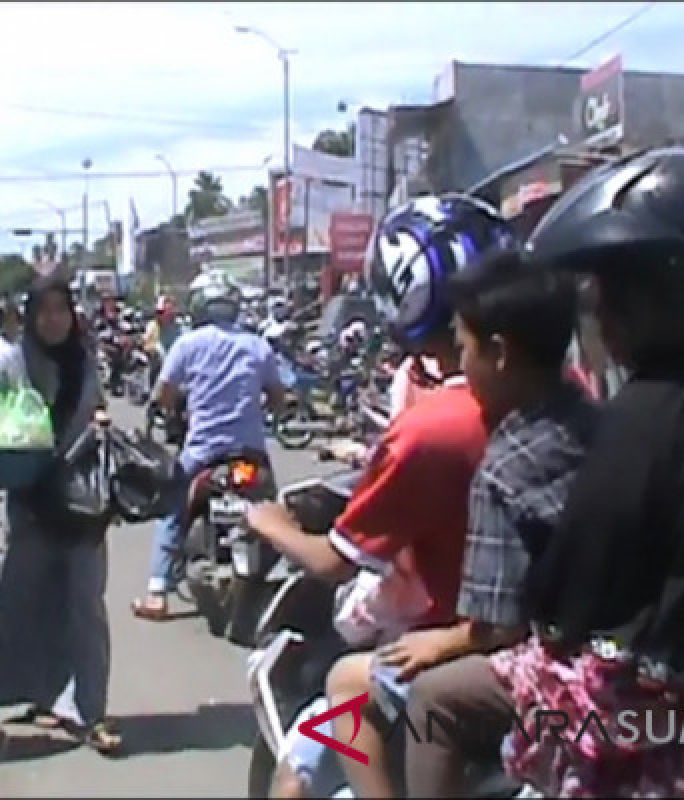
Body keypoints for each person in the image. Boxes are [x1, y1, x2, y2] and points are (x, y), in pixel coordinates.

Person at [483, 147, 684, 797]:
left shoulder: (647, 416)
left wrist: (546, 614)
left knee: (436, 704)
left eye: (615, 299)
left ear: (667, 295)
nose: (603, 323)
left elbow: (571, 601)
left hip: (668, 722)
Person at [243, 194, 506, 799]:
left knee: (300, 768)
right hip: (526, 642)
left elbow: (338, 560)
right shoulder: (564, 392)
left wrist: (272, 522)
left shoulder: (435, 424)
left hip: (446, 642)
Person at [340, 246, 599, 798]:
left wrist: (439, 645)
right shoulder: (597, 421)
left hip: (555, 666)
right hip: (612, 648)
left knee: (417, 695)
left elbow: (493, 629)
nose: (457, 363)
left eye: (462, 347)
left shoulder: (503, 467)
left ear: (499, 353)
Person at [0, 276, 120, 753]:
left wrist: (101, 423)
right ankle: (40, 693)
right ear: (30, 317)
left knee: (85, 607)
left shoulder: (86, 362)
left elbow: (98, 410)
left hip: (83, 502)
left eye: (61, 310)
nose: (53, 320)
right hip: (31, 502)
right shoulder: (13, 363)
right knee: (27, 603)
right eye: (44, 311)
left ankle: (91, 712)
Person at [131, 283, 286, 621]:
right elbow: (278, 397)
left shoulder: (188, 343)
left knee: (172, 508)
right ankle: (283, 582)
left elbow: (164, 394)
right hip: (250, 452)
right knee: (276, 510)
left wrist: (168, 410)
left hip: (203, 452)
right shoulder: (258, 345)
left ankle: (158, 592)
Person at [142, 295, 182, 385]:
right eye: (163, 312)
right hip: (157, 359)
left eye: (170, 312)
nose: (167, 315)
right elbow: (146, 343)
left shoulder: (179, 327)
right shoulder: (153, 325)